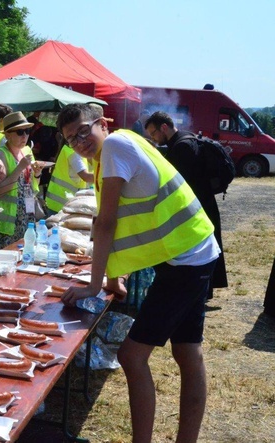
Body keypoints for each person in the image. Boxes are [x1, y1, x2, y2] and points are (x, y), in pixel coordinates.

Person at [57, 103, 219, 443]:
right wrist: (113, 277)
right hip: (194, 249)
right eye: (71, 139)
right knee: (187, 352)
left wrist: (93, 285)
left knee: (131, 355)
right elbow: (117, 223)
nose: (79, 142)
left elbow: (106, 224)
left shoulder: (114, 147)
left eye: (83, 132)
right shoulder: (116, 148)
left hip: (186, 257)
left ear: (102, 123)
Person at [145, 111, 228, 300]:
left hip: (197, 206)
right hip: (201, 202)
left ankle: (202, 291)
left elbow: (177, 183)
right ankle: (205, 290)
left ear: (164, 127)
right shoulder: (184, 140)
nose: (153, 138)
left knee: (200, 249)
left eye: (153, 133)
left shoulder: (182, 147)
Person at [0, 111, 44, 249]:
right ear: (7, 135)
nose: (24, 135)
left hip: (26, 216)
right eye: (19, 132)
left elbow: (30, 184)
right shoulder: (1, 154)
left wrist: (37, 174)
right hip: (7, 222)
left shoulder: (26, 151)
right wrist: (20, 168)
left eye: (27, 131)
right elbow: (0, 190)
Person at [45, 143, 93, 214]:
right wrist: (107, 177)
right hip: (61, 206)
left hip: (64, 204)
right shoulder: (73, 153)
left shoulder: (77, 151)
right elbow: (86, 176)